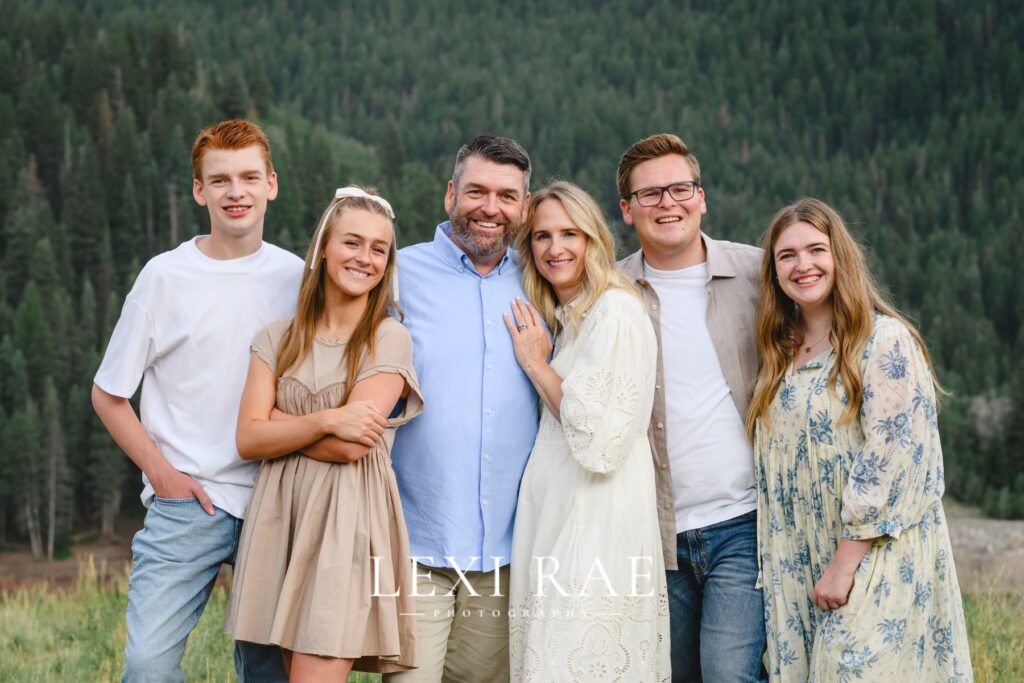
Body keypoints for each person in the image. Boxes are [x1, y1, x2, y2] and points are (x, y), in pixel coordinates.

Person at [92, 119, 310, 681]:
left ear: (271, 185)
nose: (234, 192)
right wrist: (161, 473)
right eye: (219, 181)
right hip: (188, 499)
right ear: (199, 191)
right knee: (147, 665)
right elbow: (109, 393)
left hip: (275, 499)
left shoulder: (297, 278)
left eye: (247, 178)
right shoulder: (164, 277)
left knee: (271, 671)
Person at [746, 197, 973, 681]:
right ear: (773, 271)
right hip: (798, 556)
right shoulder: (779, 352)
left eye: (815, 250)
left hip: (870, 555)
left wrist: (845, 564)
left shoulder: (884, 340)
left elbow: (890, 458)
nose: (803, 265)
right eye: (787, 256)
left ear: (839, 257)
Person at [224, 186, 423, 681]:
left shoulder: (388, 338)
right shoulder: (277, 337)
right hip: (279, 521)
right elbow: (247, 439)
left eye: (379, 249)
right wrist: (327, 418)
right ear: (324, 248)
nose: (365, 258)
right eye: (352, 243)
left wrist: (279, 425)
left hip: (345, 522)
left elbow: (352, 446)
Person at [386, 135, 539, 683]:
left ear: (524, 205)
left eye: (506, 195)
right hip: (414, 542)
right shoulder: (396, 275)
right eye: (476, 191)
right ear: (451, 194)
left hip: (506, 554)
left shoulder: (543, 280)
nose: (490, 208)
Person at [616, 133, 768, 682]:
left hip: (742, 523)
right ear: (627, 209)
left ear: (701, 198)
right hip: (655, 535)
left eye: (680, 189)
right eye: (650, 194)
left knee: (730, 675)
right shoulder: (613, 291)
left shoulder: (758, 273)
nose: (667, 204)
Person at [505, 181, 670, 682]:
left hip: (595, 525)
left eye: (569, 234)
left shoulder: (615, 312)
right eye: (541, 236)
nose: (555, 249)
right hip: (561, 518)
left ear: (593, 240)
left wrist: (537, 366)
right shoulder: (571, 319)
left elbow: (599, 445)